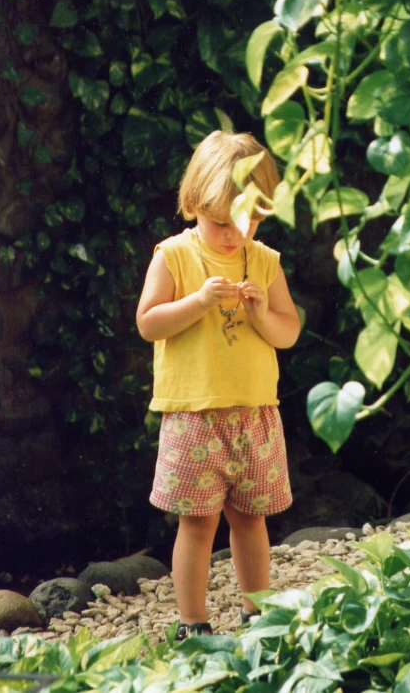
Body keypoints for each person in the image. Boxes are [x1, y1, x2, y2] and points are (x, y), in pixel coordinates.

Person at [136, 130, 301, 639]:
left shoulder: (264, 261)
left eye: (245, 221)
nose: (233, 235)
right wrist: (199, 302)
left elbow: (288, 330)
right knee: (198, 523)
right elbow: (148, 322)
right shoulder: (175, 256)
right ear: (195, 206)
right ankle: (193, 624)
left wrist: (258, 314)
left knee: (251, 519)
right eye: (219, 223)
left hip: (253, 413)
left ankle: (258, 615)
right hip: (194, 414)